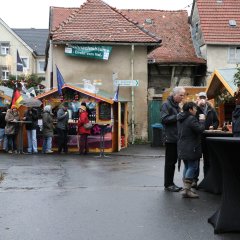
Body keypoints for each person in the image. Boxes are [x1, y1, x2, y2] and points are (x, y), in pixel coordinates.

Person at [160, 86, 186, 192]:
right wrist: (178, 116)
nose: (182, 97)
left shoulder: (175, 105)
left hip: (176, 138)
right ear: (174, 95)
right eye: (181, 95)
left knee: (173, 162)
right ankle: (168, 184)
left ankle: (170, 183)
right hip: (170, 138)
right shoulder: (166, 105)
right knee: (170, 162)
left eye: (183, 95)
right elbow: (163, 119)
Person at [177, 102, 205, 198]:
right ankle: (187, 190)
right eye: (195, 108)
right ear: (190, 110)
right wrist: (202, 121)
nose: (196, 110)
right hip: (191, 146)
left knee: (187, 166)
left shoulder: (180, 117)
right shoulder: (191, 119)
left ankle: (186, 188)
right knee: (193, 166)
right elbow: (200, 130)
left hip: (182, 146)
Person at [194, 92, 219, 184]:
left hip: (208, 137)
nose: (202, 99)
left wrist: (214, 126)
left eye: (203, 98)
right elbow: (191, 119)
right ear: (198, 99)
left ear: (207, 99)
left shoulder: (211, 109)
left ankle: (207, 181)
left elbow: (216, 121)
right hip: (198, 137)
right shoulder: (194, 109)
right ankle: (194, 180)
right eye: (200, 97)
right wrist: (197, 106)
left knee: (207, 159)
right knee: (196, 160)